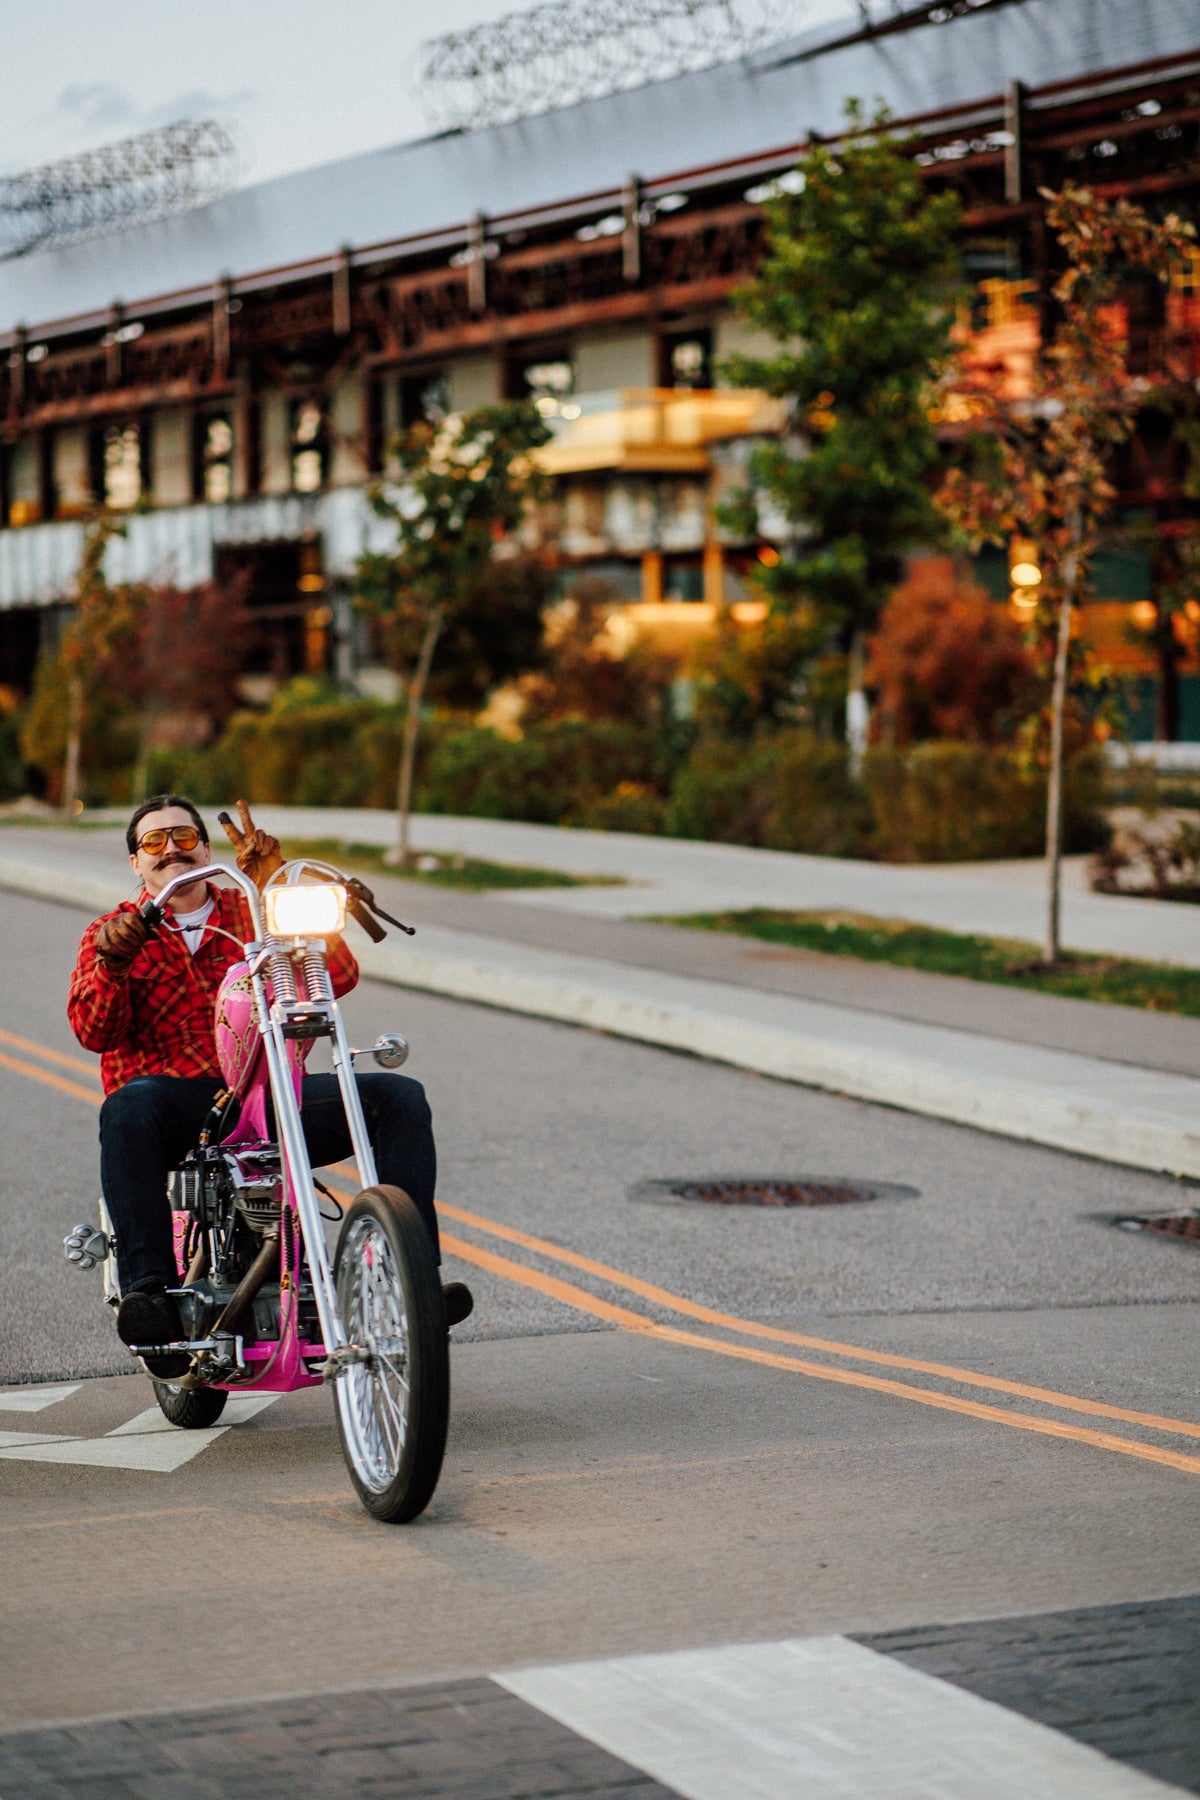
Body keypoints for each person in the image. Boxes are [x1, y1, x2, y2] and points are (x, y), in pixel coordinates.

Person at [67, 794, 471, 1376]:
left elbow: (340, 977)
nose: (172, 850)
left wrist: (272, 890)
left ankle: (414, 1280)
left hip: (272, 1094)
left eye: (184, 836)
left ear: (206, 848)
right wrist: (113, 966)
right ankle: (150, 1295)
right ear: (136, 863)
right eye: (153, 842)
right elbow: (92, 1030)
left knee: (399, 1096)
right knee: (126, 1107)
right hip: (177, 1104)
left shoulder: (256, 913)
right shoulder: (112, 933)